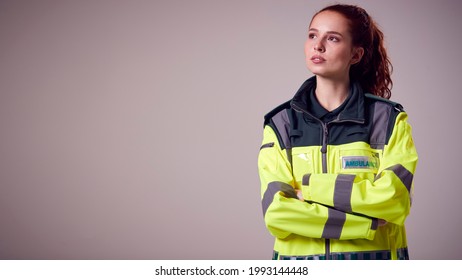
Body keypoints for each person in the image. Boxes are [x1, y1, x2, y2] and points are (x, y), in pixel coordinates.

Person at [258, 4, 418, 260]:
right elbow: (277, 214)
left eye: (332, 38)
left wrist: (309, 188)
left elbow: (393, 201)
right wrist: (367, 224)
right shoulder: (281, 124)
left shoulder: (388, 120)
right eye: (312, 35)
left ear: (355, 55)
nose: (317, 46)